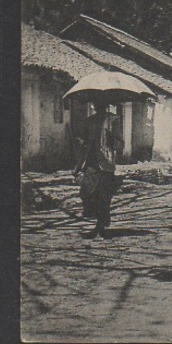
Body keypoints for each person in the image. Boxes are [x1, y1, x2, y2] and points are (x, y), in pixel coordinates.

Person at [74, 99, 123, 240]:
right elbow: (82, 138)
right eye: (96, 104)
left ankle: (100, 228)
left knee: (104, 197)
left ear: (105, 105)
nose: (97, 106)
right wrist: (80, 141)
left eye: (100, 104)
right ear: (94, 106)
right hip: (91, 162)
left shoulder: (114, 120)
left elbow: (119, 145)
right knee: (86, 192)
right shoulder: (89, 121)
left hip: (106, 164)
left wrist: (112, 138)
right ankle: (98, 222)